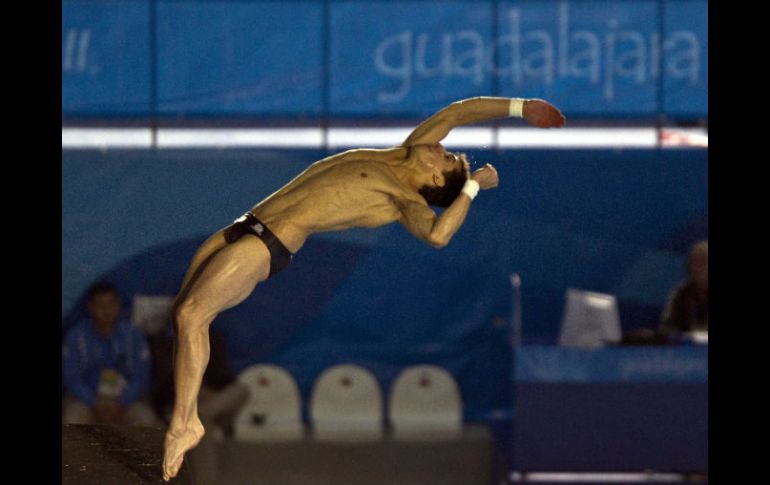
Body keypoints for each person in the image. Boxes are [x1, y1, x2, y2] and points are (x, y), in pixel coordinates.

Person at [162, 96, 566, 480]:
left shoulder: (404, 201)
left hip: (267, 244)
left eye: (444, 155)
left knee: (192, 315)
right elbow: (460, 111)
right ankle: (182, 416)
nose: (439, 144)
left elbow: (439, 235)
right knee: (179, 315)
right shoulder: (402, 152)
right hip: (242, 226)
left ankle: (186, 423)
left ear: (436, 176)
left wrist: (473, 185)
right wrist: (520, 107)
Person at [62, 281, 162, 427]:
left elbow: (141, 376)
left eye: (110, 304)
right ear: (90, 307)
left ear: (118, 306)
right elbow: (72, 378)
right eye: (100, 305)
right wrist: (94, 402)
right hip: (86, 401)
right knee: (72, 421)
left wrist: (122, 401)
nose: (106, 310)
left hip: (126, 400)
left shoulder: (133, 335)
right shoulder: (76, 337)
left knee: (146, 422)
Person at [659, 240, 708, 337]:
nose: (704, 268)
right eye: (697, 263)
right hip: (686, 349)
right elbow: (665, 328)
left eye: (705, 262)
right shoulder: (679, 293)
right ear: (689, 267)